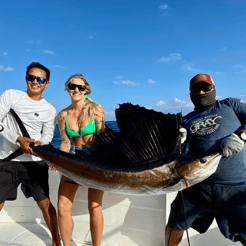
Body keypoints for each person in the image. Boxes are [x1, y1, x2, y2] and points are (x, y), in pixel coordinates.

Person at [165, 74, 246, 246]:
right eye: (196, 90)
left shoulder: (230, 104)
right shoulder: (186, 120)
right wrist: (177, 140)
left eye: (206, 88)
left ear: (214, 89)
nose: (201, 92)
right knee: (175, 225)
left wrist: (242, 135)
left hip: (235, 187)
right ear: (190, 93)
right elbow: (177, 152)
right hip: (197, 185)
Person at [0, 62, 61, 246]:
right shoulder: (10, 95)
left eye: (40, 79)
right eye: (31, 77)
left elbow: (49, 135)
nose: (35, 81)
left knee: (44, 204)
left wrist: (38, 145)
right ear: (26, 78)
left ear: (46, 83)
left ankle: (56, 242)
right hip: (6, 160)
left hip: (34, 161)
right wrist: (18, 139)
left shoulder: (49, 110)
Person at [56, 74, 105, 246]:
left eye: (80, 87)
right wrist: (59, 161)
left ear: (86, 90)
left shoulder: (96, 109)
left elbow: (103, 139)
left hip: (94, 160)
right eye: (72, 86)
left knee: (94, 205)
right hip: (74, 159)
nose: (76, 90)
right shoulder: (62, 115)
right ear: (67, 87)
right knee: (62, 206)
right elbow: (64, 142)